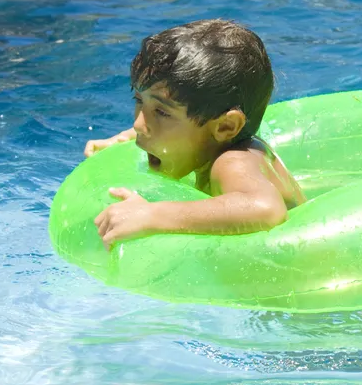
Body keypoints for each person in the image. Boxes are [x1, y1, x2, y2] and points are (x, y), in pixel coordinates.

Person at [84, 19, 306, 248]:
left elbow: (266, 210)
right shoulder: (208, 144)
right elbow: (170, 125)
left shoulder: (233, 162)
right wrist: (123, 137)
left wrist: (152, 215)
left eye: (161, 111)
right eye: (139, 101)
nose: (139, 124)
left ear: (225, 127)